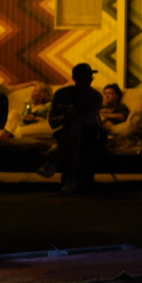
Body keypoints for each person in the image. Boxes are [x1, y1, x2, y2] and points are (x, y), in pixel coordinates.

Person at [49, 63, 105, 193]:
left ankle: (54, 162)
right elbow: (52, 122)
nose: (89, 80)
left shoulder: (95, 96)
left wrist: (73, 116)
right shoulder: (62, 94)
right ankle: (71, 181)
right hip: (67, 131)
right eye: (85, 77)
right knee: (74, 134)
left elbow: (89, 122)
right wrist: (65, 117)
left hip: (89, 133)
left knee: (73, 129)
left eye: (90, 77)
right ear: (75, 78)